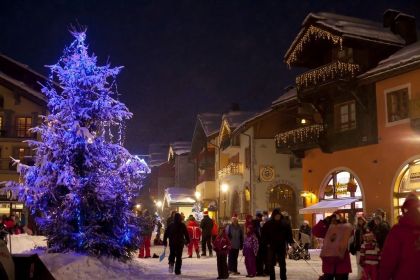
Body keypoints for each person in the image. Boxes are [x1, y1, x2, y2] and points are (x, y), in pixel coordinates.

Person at [378, 193, 420, 280]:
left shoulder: (397, 230)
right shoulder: (397, 230)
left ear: (405, 209)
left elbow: (388, 259)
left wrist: (383, 277)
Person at [313, 212, 353, 280]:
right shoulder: (327, 230)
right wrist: (324, 221)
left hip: (342, 264)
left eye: (336, 220)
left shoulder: (345, 229)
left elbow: (351, 232)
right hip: (329, 263)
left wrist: (341, 224)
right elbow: (315, 231)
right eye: (332, 220)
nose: (335, 222)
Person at [261, 208, 294, 280]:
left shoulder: (284, 224)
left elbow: (289, 234)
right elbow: (264, 235)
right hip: (271, 246)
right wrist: (266, 243)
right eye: (276, 216)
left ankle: (283, 277)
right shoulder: (268, 224)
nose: (277, 217)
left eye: (278, 216)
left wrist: (291, 242)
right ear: (273, 216)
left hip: (281, 245)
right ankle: (272, 278)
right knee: (271, 263)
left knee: (282, 263)